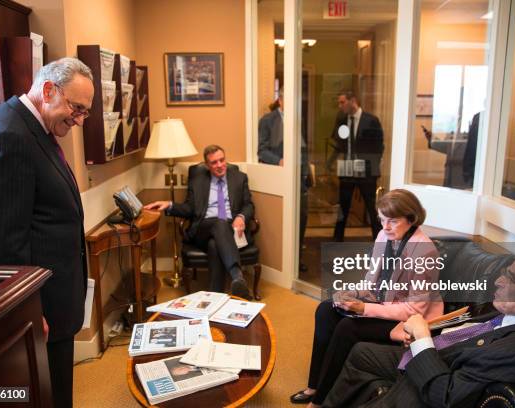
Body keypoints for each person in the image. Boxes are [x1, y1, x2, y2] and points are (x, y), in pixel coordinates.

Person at [0, 57, 94, 408]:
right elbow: (0, 243)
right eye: (76, 107)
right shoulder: (10, 136)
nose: (80, 120)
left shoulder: (30, 127)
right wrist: (24, 312)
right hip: (36, 311)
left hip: (50, 303)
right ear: (49, 90)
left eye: (85, 112)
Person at [322, 250, 515, 408]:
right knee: (361, 352)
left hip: (433, 383)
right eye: (505, 272)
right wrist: (425, 333)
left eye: (513, 279)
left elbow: (445, 396)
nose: (498, 281)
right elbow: (472, 328)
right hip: (442, 355)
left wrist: (422, 341)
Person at [290, 189, 443, 406]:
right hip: (384, 302)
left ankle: (321, 401)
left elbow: (413, 311)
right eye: (382, 220)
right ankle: (314, 386)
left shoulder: (425, 252)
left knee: (347, 327)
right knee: (325, 309)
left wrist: (363, 309)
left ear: (411, 219)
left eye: (392, 221)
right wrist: (350, 294)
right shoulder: (384, 236)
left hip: (408, 321)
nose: (385, 227)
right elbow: (371, 282)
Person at [145, 145, 253, 299]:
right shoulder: (197, 181)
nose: (220, 165)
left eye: (222, 160)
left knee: (214, 245)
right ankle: (237, 275)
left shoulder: (240, 178)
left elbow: (248, 205)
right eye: (214, 162)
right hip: (203, 228)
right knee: (219, 222)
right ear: (207, 165)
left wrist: (241, 216)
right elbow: (189, 208)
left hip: (231, 230)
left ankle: (215, 298)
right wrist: (169, 205)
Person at [257, 88, 312, 271]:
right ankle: (284, 264)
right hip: (279, 178)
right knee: (284, 222)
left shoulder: (298, 119)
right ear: (280, 101)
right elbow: (262, 150)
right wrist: (279, 160)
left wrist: (304, 172)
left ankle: (298, 260)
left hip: (300, 178)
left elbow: (303, 148)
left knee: (301, 219)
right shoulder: (267, 121)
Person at [331, 91, 384, 241]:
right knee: (343, 205)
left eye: (342, 102)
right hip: (347, 165)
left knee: (371, 206)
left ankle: (379, 239)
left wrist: (371, 167)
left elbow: (379, 146)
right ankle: (337, 239)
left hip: (366, 168)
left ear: (352, 101)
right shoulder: (341, 118)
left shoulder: (371, 120)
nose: (339, 106)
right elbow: (338, 141)